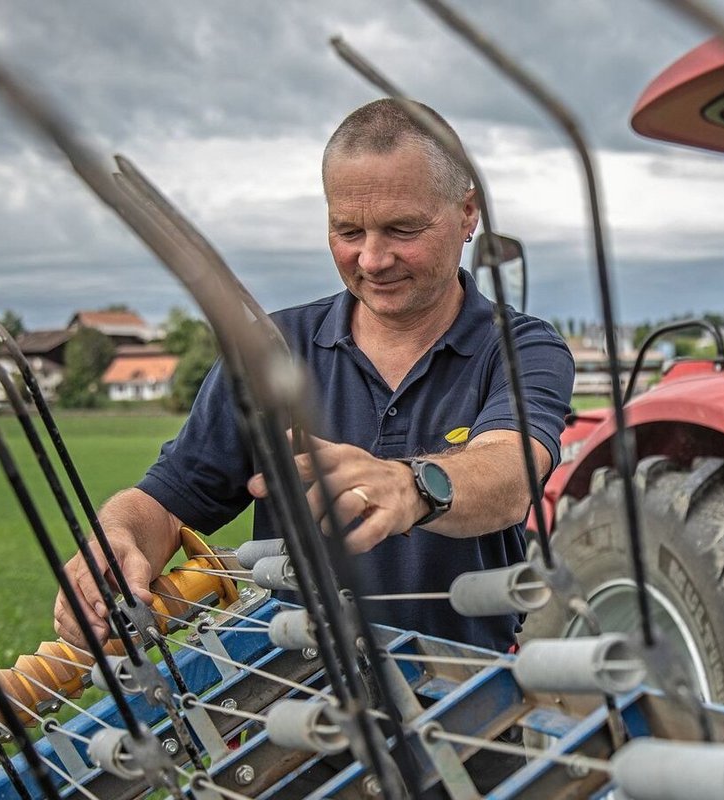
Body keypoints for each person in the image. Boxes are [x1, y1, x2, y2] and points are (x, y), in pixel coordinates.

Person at [53, 99, 575, 652]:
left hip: (468, 705)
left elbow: (510, 471)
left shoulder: (521, 348)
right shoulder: (269, 354)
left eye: (402, 229)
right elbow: (165, 500)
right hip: (294, 712)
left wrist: (412, 485)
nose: (372, 259)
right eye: (348, 231)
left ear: (467, 213)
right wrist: (118, 538)